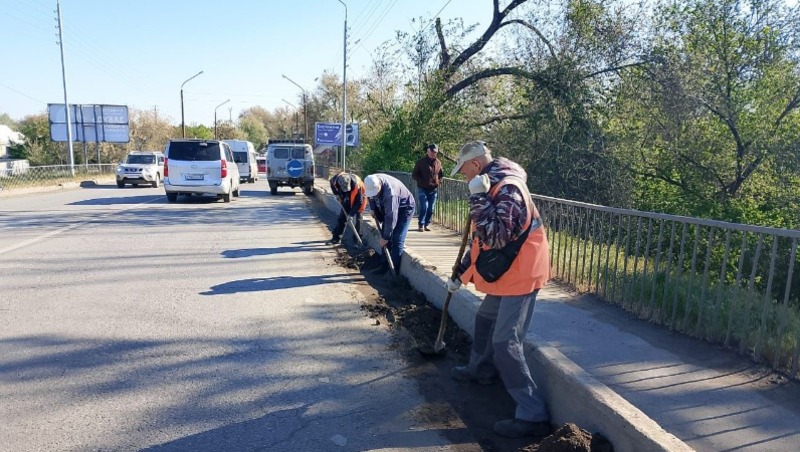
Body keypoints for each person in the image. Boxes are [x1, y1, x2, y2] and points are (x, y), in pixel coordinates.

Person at [445, 140, 552, 439]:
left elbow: (495, 237)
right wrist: (461, 273)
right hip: (507, 272)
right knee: (484, 320)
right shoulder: (491, 187)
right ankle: (480, 370)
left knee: (506, 342)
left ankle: (532, 414)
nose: (464, 177)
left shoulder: (508, 190)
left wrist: (478, 198)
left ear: (475, 165)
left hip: (523, 273)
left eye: (464, 171)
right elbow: (480, 242)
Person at [363, 173, 416, 275]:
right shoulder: (371, 181)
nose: (374, 194)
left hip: (405, 208)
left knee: (396, 238)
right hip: (388, 208)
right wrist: (373, 209)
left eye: (376, 192)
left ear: (379, 186)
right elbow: (371, 197)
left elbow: (390, 217)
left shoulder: (390, 193)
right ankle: (384, 266)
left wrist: (386, 237)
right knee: (385, 236)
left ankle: (393, 271)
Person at [411, 143, 444, 232]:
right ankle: (421, 224)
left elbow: (441, 175)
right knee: (424, 207)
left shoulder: (438, 163)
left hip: (433, 189)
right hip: (422, 188)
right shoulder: (420, 162)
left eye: (435, 152)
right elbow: (414, 175)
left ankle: (426, 224)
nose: (434, 154)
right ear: (428, 151)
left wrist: (439, 182)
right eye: (432, 152)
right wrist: (421, 181)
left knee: (431, 209)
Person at [328, 172, 367, 245]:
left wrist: (351, 215)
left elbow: (359, 202)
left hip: (360, 197)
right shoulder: (335, 180)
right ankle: (336, 238)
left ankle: (357, 241)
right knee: (342, 217)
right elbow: (332, 184)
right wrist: (336, 194)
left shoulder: (357, 185)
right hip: (347, 196)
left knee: (358, 219)